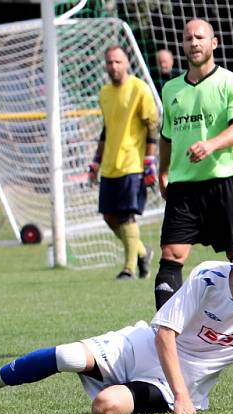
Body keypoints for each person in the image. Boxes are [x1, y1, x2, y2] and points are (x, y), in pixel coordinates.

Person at [0, 224, 233, 414]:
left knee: (106, 407)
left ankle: (131, 392)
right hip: (141, 346)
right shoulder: (210, 276)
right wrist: (182, 399)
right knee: (66, 355)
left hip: (171, 383)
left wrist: (181, 395)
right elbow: (164, 332)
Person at [154, 19, 233, 310]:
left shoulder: (232, 82)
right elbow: (166, 135)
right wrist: (162, 171)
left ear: (214, 43)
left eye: (200, 37)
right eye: (188, 38)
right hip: (183, 187)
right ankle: (168, 333)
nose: (193, 42)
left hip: (223, 183)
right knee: (171, 255)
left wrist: (210, 145)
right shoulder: (171, 89)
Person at [88, 45, 159, 280]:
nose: (114, 66)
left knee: (127, 215)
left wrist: (149, 161)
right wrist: (96, 163)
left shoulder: (140, 89)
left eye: (118, 62)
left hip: (133, 163)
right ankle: (141, 251)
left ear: (127, 62)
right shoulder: (104, 93)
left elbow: (152, 125)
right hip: (110, 164)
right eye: (109, 62)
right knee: (109, 216)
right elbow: (106, 130)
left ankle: (128, 269)